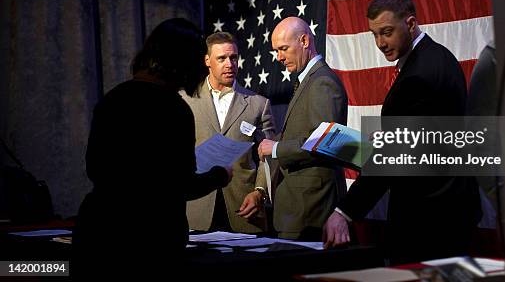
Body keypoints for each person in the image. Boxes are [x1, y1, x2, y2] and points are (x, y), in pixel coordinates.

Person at [322, 0, 482, 263]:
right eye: (374, 34)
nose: (380, 42)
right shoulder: (441, 58)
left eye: (386, 31)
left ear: (410, 23)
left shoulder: (417, 75)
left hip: (428, 220)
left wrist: (344, 212)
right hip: (449, 212)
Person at [73, 18, 232, 276]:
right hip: (150, 245)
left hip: (98, 234)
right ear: (185, 63)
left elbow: (94, 168)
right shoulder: (174, 110)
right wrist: (220, 175)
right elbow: (182, 185)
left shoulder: (112, 99)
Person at [258, 17, 348, 240]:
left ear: (305, 41)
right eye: (276, 51)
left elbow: (326, 142)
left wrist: (276, 148)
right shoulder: (308, 80)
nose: (279, 57)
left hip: (310, 209)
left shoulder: (322, 82)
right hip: (299, 208)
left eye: (283, 49)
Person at [179, 32, 276, 233]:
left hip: (244, 210)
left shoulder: (258, 103)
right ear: (207, 60)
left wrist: (259, 192)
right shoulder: (185, 100)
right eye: (221, 58)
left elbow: (269, 155)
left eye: (233, 57)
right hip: (197, 209)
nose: (229, 64)